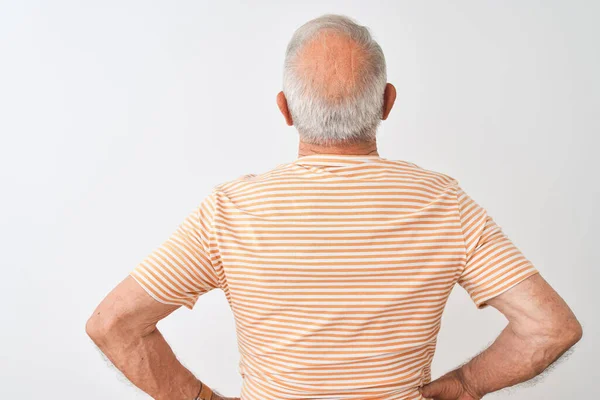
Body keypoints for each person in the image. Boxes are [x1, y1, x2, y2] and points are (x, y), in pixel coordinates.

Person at [86, 14, 583, 400]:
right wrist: (469, 384)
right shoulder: (443, 203)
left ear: (284, 109)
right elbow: (549, 328)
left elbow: (114, 324)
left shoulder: (229, 211)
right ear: (388, 103)